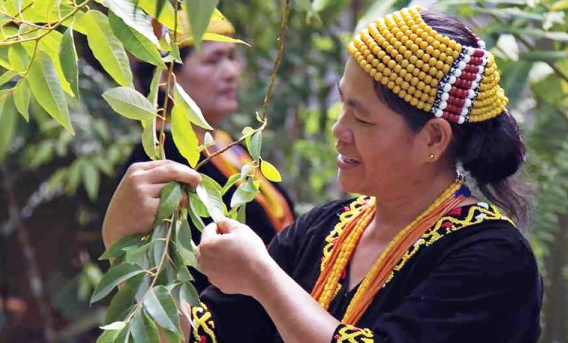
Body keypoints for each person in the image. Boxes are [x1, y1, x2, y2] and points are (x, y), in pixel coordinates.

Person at [104, 6, 542, 342]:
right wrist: (129, 249)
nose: (339, 131)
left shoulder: (493, 257)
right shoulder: (322, 228)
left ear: (432, 139)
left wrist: (264, 280)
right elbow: (199, 335)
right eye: (342, 105)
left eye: (362, 118)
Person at [115, 12, 296, 294]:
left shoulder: (227, 145)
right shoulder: (159, 162)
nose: (231, 72)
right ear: (167, 76)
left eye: (232, 57)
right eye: (213, 60)